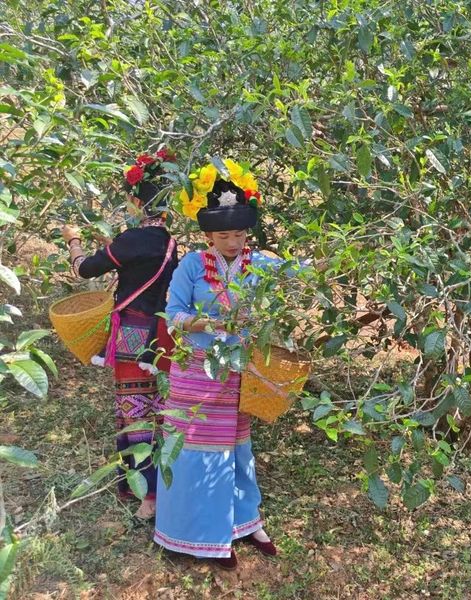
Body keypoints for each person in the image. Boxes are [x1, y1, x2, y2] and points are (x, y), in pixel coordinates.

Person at [153, 159, 301, 569]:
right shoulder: (191, 266)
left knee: (236, 448)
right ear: (209, 235)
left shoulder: (261, 265)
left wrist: (336, 260)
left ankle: (244, 522)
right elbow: (173, 313)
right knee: (197, 450)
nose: (233, 241)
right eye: (224, 234)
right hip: (196, 371)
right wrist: (204, 322)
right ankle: (194, 534)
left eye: (239, 233)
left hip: (240, 371)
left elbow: (298, 274)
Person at [62, 149, 179, 519]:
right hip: (161, 334)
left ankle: (147, 495)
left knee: (134, 411)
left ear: (135, 201)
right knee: (159, 411)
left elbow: (84, 270)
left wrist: (73, 241)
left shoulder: (131, 240)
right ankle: (161, 486)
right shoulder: (171, 243)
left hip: (131, 332)